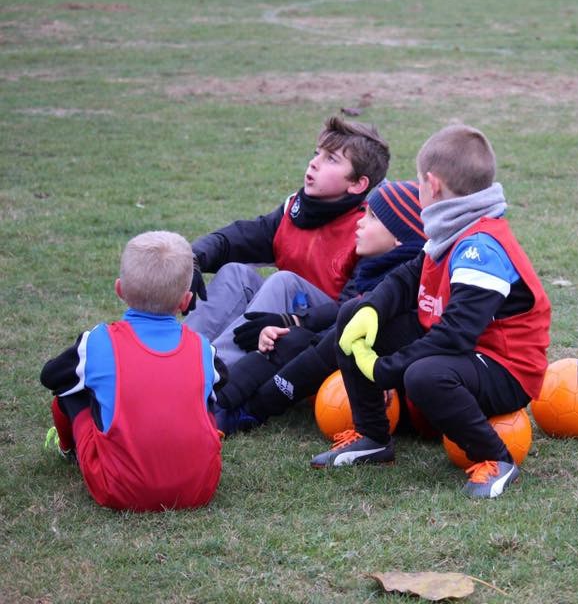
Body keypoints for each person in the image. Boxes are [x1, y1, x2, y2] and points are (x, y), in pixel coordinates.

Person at [309, 124, 551, 499]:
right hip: (463, 348)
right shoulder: (454, 223)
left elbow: (454, 336)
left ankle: (496, 459)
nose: (418, 188)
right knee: (352, 315)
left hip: (505, 368)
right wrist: (371, 308)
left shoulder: (481, 247)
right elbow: (408, 277)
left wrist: (386, 369)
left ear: (433, 184)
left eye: (419, 181)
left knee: (424, 375)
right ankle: (373, 437)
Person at [214, 180, 427, 434]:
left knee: (296, 343)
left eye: (372, 217)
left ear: (399, 238)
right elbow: (341, 309)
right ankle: (217, 399)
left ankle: (239, 411)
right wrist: (291, 322)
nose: (360, 223)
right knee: (286, 339)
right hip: (350, 360)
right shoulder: (373, 266)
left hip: (390, 384)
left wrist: (297, 328)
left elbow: (344, 330)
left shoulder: (404, 283)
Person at [40, 231, 226, 511]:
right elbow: (222, 380)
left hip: (119, 490)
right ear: (186, 301)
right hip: (200, 488)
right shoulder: (202, 347)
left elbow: (51, 377)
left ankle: (67, 448)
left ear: (119, 290)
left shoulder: (98, 342)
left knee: (72, 391)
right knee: (205, 393)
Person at [184, 116, 390, 368]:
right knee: (236, 274)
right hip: (282, 321)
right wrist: (192, 258)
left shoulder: (370, 230)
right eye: (317, 154)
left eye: (331, 159)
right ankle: (179, 355)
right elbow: (237, 239)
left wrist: (293, 319)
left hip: (322, 336)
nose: (314, 163)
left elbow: (353, 306)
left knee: (285, 283)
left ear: (358, 184)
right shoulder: (295, 209)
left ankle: (214, 374)